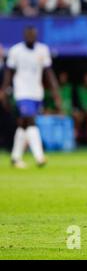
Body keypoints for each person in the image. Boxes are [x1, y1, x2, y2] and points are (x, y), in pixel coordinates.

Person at [0, 26, 62, 168]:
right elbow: (9, 72)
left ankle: (15, 158)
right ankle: (39, 157)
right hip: (22, 91)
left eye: (33, 35)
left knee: (23, 124)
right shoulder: (16, 51)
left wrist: (55, 93)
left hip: (36, 92)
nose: (30, 38)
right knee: (30, 119)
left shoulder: (43, 50)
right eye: (28, 35)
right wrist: (4, 91)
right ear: (24, 36)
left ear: (36, 35)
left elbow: (48, 73)